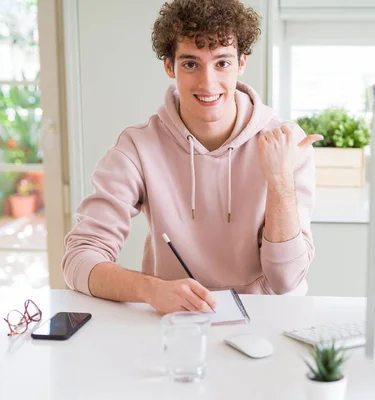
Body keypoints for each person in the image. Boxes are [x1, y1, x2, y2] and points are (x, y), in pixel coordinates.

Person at [61, 0, 322, 315]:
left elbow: (285, 281)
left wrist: (280, 182)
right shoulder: (138, 147)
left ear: (241, 63)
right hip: (178, 323)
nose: (208, 83)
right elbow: (79, 259)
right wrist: (149, 288)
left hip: (266, 321)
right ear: (169, 67)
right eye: (190, 64)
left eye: (221, 63)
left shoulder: (285, 142)